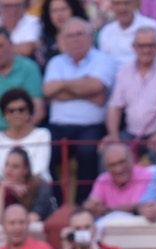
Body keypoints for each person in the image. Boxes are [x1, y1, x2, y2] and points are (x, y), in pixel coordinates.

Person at [43, 17, 117, 204]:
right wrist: (86, 89)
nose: (75, 40)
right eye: (70, 36)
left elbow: (97, 86)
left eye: (79, 34)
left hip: (91, 126)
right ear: (63, 40)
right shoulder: (56, 62)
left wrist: (63, 86)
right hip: (58, 126)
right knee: (44, 152)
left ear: (90, 37)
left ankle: (85, 204)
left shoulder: (104, 60)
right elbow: (49, 91)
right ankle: (56, 203)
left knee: (87, 152)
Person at [104, 26, 156, 165]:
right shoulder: (124, 71)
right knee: (110, 151)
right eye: (141, 46)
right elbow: (114, 107)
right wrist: (114, 136)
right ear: (134, 47)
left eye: (151, 45)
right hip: (130, 133)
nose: (146, 50)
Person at [83, 142, 152, 218]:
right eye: (112, 165)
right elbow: (93, 203)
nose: (118, 169)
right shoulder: (103, 179)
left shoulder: (146, 176)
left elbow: (141, 207)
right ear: (106, 167)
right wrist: (91, 206)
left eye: (122, 162)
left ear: (132, 158)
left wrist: (107, 210)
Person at [0, 88, 50, 181]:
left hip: (36, 190)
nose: (16, 114)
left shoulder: (42, 135)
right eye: (11, 111)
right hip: (4, 191)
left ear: (29, 112)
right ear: (4, 115)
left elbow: (39, 171)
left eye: (21, 109)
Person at [0, 27, 44, 131]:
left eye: (1, 46)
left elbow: (39, 111)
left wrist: (20, 135)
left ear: (11, 46)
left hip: (22, 135)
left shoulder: (29, 68)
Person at [97, 0, 156, 69]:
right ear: (112, 6)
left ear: (135, 4)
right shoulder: (106, 32)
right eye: (117, 4)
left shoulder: (152, 26)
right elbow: (104, 64)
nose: (122, 8)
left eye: (126, 3)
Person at [0, 146, 55, 221]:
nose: (8, 170)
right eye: (7, 164)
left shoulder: (41, 185)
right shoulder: (3, 185)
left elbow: (33, 218)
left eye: (15, 166)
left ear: (25, 169)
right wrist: (2, 189)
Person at [37, 0, 90, 68]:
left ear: (73, 10)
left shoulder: (85, 35)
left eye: (63, 9)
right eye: (54, 11)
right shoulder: (44, 42)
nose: (59, 14)